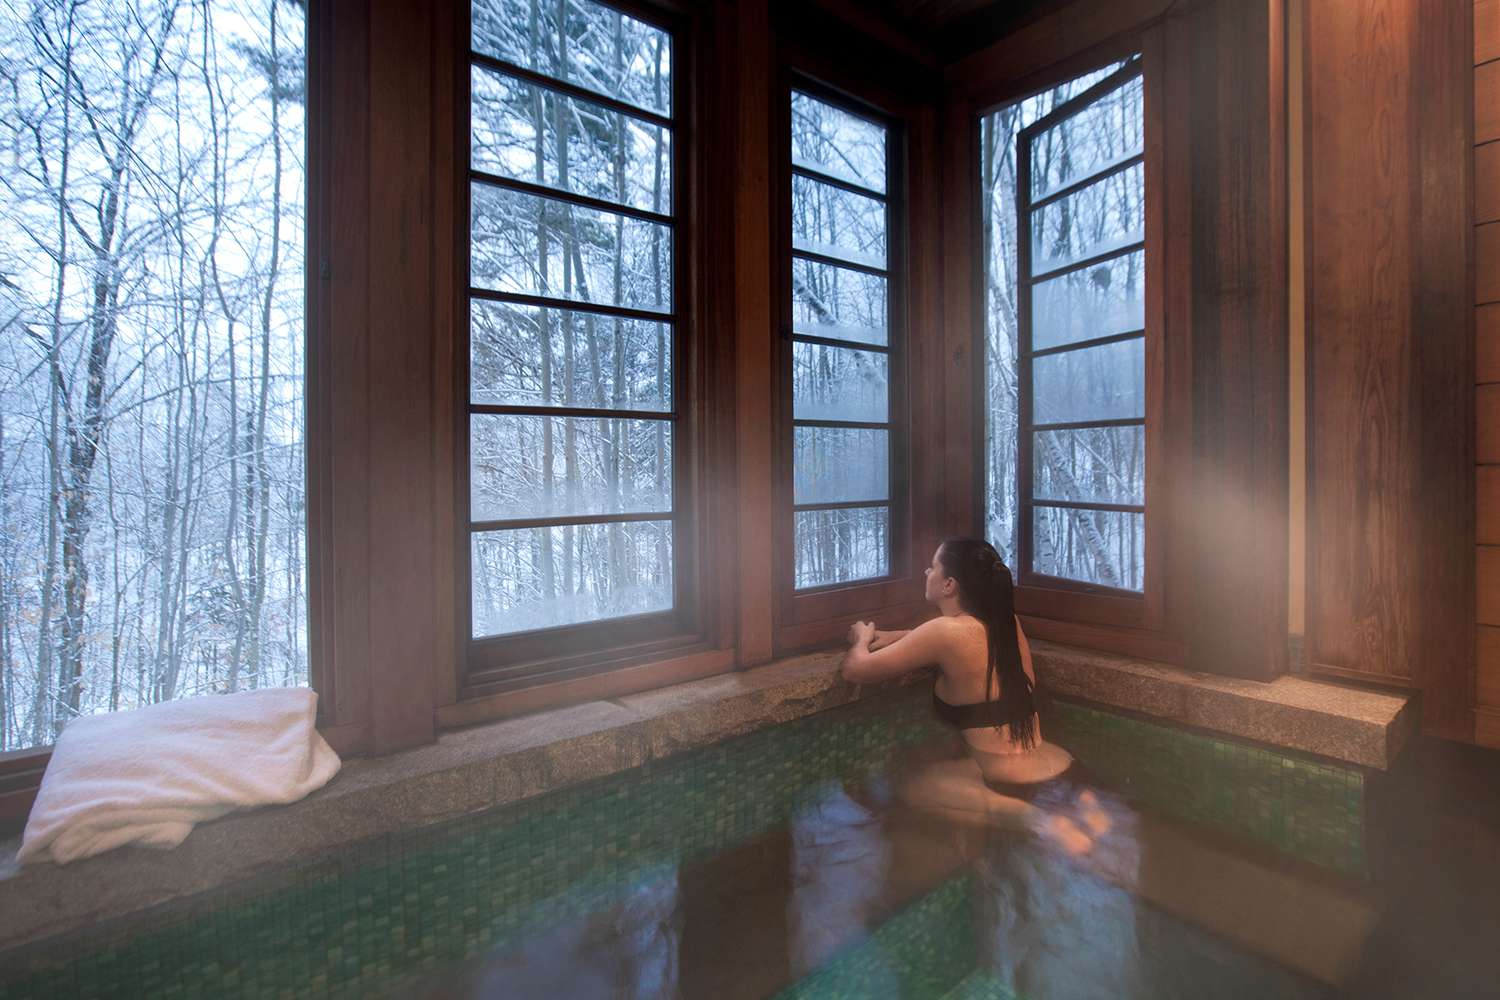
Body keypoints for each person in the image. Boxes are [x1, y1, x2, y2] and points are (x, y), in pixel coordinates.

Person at [840, 538, 1109, 855]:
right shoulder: (1005, 623)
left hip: (1009, 780)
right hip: (1058, 764)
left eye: (933, 566)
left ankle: (1035, 820)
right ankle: (1089, 808)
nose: (927, 571)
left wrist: (861, 637)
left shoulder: (945, 633)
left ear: (949, 584)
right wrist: (899, 637)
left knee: (915, 787)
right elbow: (944, 640)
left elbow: (855, 670)